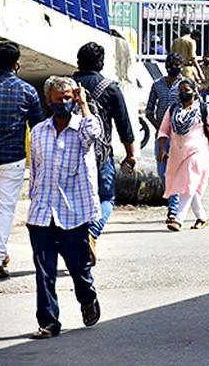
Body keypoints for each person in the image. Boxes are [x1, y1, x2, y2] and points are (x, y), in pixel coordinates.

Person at [26, 77, 102, 339]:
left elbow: (94, 133)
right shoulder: (38, 132)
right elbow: (35, 171)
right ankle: (49, 322)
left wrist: (84, 104)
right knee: (44, 271)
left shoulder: (82, 128)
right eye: (59, 99)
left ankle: (88, 297)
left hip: (73, 214)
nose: (64, 103)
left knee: (78, 268)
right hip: (42, 213)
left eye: (68, 97)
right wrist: (33, 200)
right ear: (49, 101)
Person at [71, 42, 137, 261]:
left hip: (70, 154)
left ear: (79, 61)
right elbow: (123, 124)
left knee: (74, 198)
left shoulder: (66, 86)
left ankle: (79, 237)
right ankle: (93, 231)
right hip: (100, 154)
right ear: (101, 63)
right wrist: (130, 154)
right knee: (106, 197)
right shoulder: (110, 87)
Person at [0, 41, 44, 280]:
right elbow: (38, 127)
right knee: (3, 210)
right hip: (12, 160)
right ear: (17, 64)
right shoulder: (28, 91)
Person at [158, 80, 209, 231]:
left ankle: (178, 219)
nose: (183, 93)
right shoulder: (173, 110)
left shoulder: (203, 109)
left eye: (186, 89)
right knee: (189, 185)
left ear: (194, 91)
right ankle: (202, 217)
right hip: (177, 154)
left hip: (197, 152)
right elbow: (163, 131)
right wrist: (161, 149)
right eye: (180, 90)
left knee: (189, 182)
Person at [145, 53, 187, 219]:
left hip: (180, 135)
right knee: (162, 172)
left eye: (177, 64)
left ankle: (173, 208)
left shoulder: (186, 85)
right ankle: (175, 199)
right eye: (171, 63)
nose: (173, 67)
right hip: (162, 136)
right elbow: (149, 111)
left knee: (175, 171)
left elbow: (194, 106)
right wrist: (160, 127)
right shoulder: (157, 85)